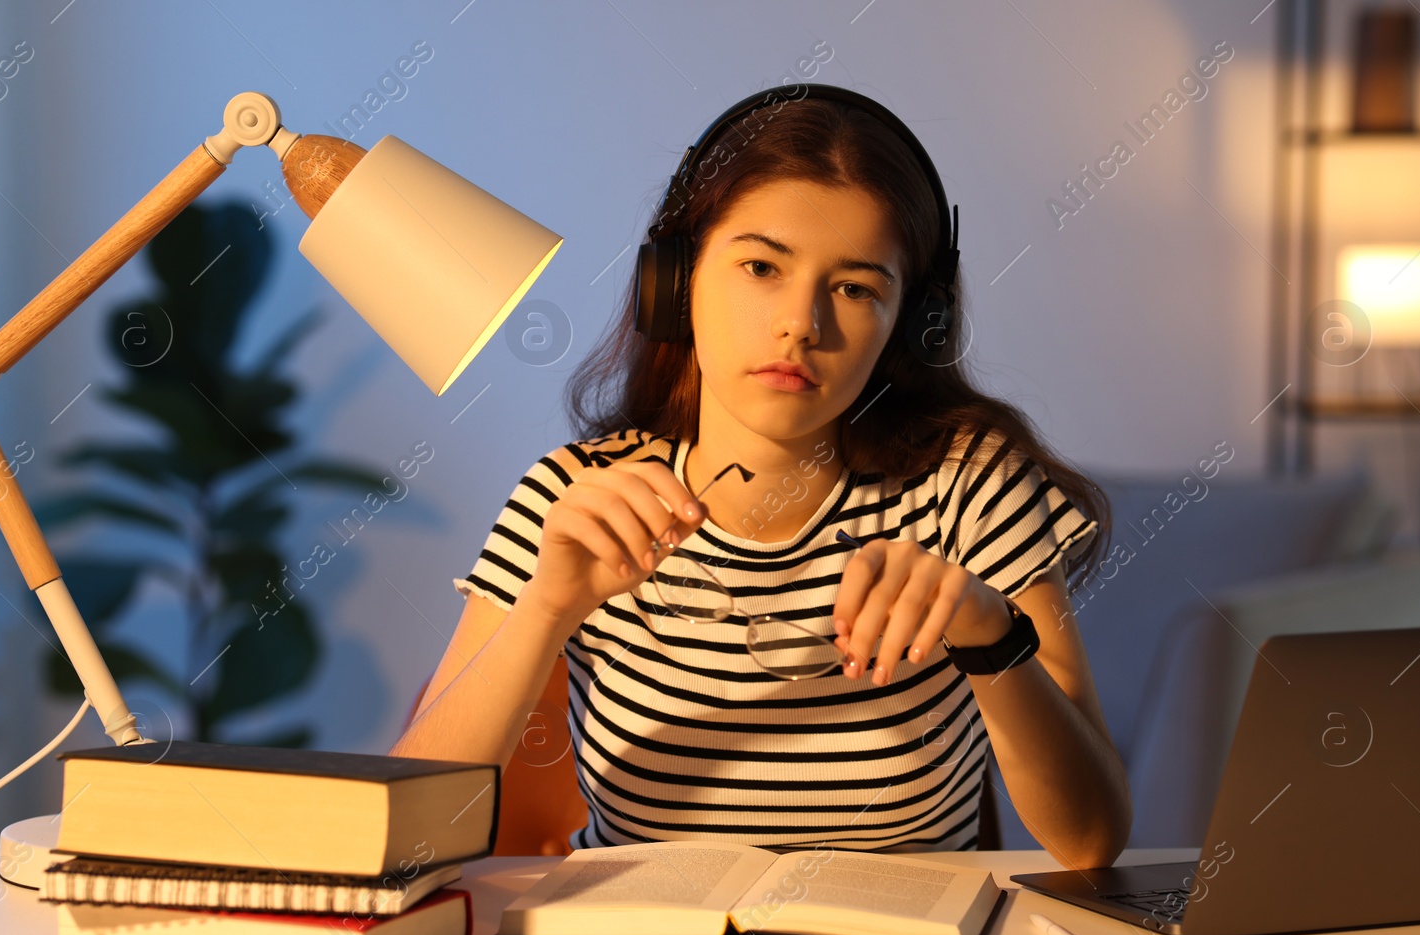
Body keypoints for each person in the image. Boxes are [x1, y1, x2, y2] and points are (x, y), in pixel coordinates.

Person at [392, 88, 1130, 867]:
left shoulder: (971, 488)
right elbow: (400, 836)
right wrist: (544, 608)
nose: (801, 323)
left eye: (855, 288)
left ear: (911, 326)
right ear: (675, 284)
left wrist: (988, 631)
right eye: (761, 266)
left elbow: (1092, 840)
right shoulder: (573, 499)